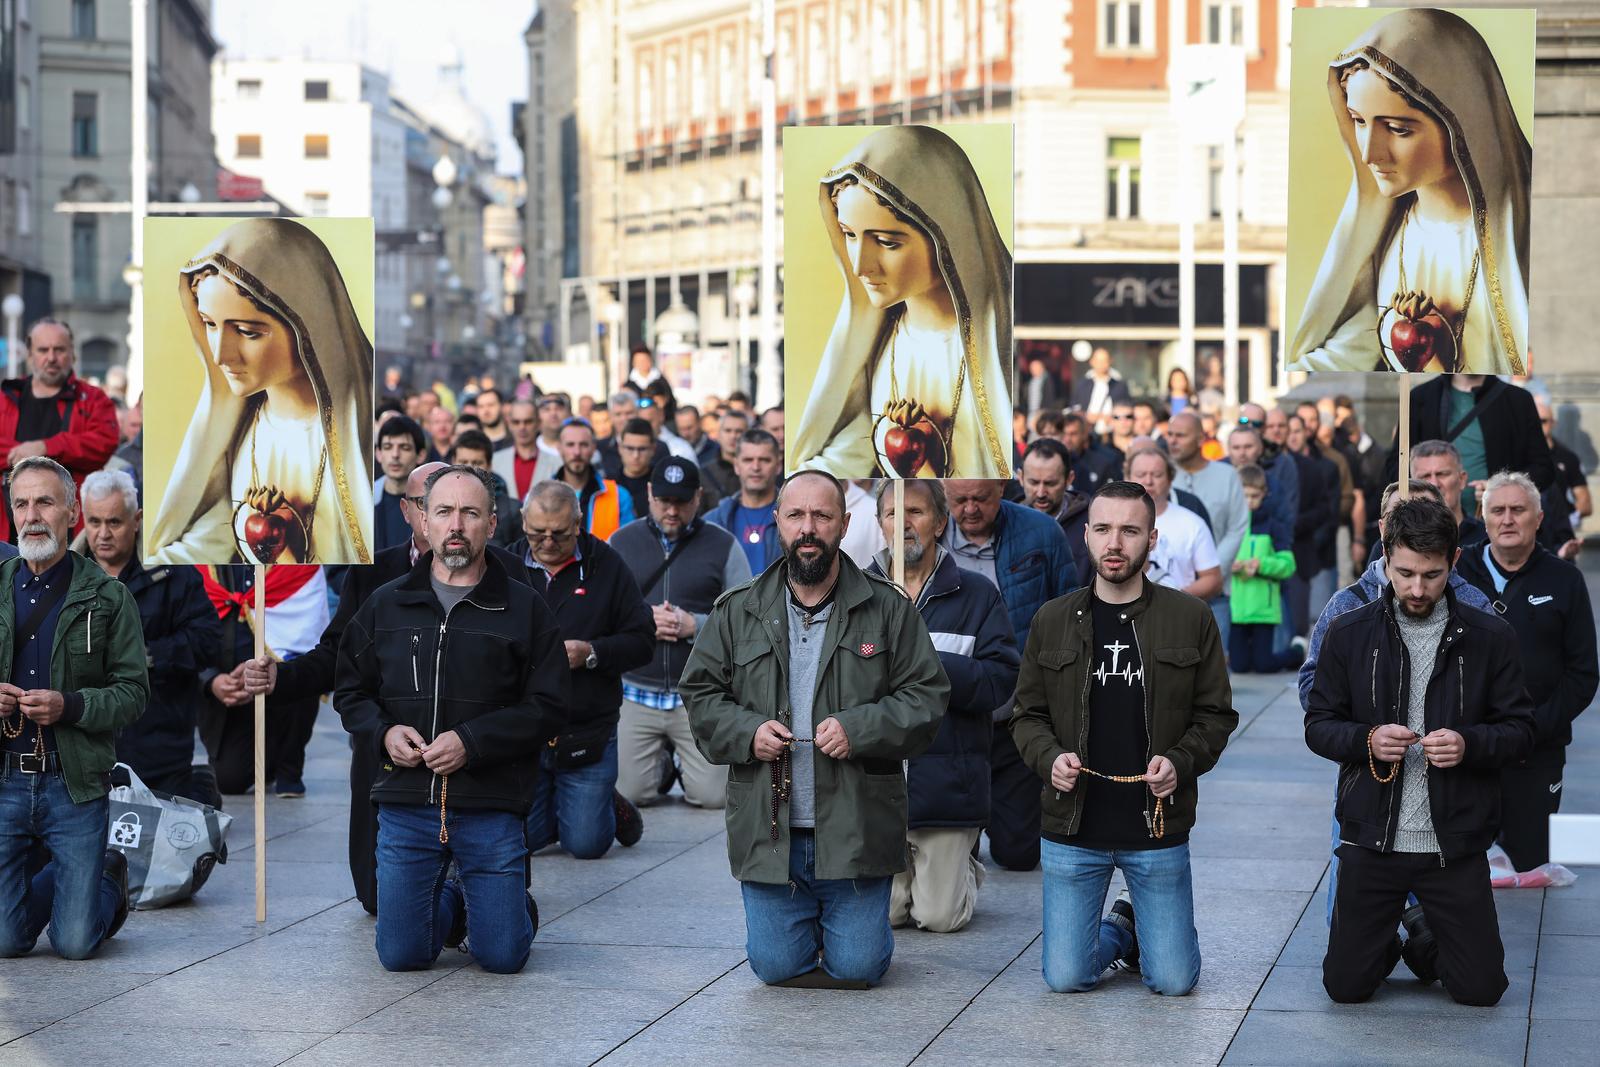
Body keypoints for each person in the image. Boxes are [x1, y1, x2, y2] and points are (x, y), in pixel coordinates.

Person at [680, 469, 948, 986]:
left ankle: (846, 928)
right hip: (769, 826)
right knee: (775, 968)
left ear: (845, 524)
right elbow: (700, 694)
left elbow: (927, 696)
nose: (808, 528)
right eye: (796, 515)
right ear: (777, 521)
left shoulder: (887, 607)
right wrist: (745, 731)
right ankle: (811, 925)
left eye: (822, 516)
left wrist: (861, 728)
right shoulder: (738, 611)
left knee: (859, 969)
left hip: (855, 826)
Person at [241, 462, 531, 913]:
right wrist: (284, 677)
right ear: (411, 511)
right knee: (378, 902)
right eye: (429, 505)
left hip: (482, 762)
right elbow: (340, 659)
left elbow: (537, 685)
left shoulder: (509, 572)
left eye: (463, 510)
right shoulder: (375, 573)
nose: (450, 521)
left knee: (494, 925)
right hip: (390, 757)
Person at [334, 465, 567, 973]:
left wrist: (473, 741)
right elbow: (351, 690)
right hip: (405, 805)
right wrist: (383, 734)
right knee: (401, 956)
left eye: (470, 512)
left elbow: (549, 705)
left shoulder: (525, 608)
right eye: (443, 511)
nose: (456, 524)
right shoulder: (386, 603)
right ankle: (458, 905)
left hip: (491, 804)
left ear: (491, 522)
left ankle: (504, 909)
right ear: (423, 520)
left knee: (502, 957)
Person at [1010, 480, 1237, 995]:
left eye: (1130, 531)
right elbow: (1025, 715)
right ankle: (1121, 930)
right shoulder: (1053, 619)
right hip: (1074, 825)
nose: (1116, 544)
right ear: (1086, 535)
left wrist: (1181, 761)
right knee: (1067, 978)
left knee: (1175, 981)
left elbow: (1216, 715)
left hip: (1155, 826)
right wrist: (1049, 761)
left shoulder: (1189, 617)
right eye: (1104, 529)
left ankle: (1145, 931)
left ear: (1152, 539)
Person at [1306, 497, 1534, 1006]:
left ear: (1454, 561)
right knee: (1345, 988)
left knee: (1481, 992)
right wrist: (1367, 740)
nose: (1416, 588)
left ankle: (1425, 939)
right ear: (1384, 558)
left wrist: (1469, 744)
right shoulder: (1348, 631)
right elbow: (1318, 725)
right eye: (1404, 572)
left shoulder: (1490, 636)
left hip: (1453, 844)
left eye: (1431, 575)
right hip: (1372, 840)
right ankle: (1386, 935)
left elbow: (1521, 729)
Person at [1289, 9, 1530, 375]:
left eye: (1399, 129)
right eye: (1358, 121)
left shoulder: (1527, 231)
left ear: (1463, 124)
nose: (1370, 153)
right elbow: (1358, 344)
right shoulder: (1388, 233)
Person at [792, 126, 1012, 479]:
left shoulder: (1000, 336)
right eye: (849, 235)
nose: (861, 266)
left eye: (886, 242)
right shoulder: (878, 341)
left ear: (948, 237)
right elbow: (856, 448)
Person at [151, 220, 373, 565]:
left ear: (308, 327)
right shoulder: (238, 429)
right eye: (209, 324)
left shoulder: (362, 427)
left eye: (247, 332)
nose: (221, 355)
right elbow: (214, 537)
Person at [0, 457, 149, 959]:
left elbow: (134, 693)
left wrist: (71, 705)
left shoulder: (109, 597)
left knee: (75, 943)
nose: (32, 514)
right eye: (21, 503)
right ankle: (60, 877)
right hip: (6, 781)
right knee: (5, 942)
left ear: (71, 515)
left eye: (44, 501)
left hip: (75, 781)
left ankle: (105, 876)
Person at [868, 480, 1018, 933]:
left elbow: (1000, 683)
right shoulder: (855, 592)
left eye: (915, 512)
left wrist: (928, 662)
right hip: (876, 790)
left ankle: (963, 866)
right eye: (894, 514)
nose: (904, 524)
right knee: (889, 916)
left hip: (948, 789)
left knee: (938, 917)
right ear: (880, 524)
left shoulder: (977, 594)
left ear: (940, 522)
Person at [1455, 472, 1598, 871]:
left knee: (1530, 866)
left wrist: (1534, 728)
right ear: (1483, 520)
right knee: (1462, 866)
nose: (1508, 519)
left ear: (1539, 518)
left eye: (1518, 510)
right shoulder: (1456, 572)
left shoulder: (1565, 579)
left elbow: (1584, 671)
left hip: (1539, 749)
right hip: (1469, 747)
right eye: (1497, 510)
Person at [941, 479, 1077, 872]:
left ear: (1001, 490)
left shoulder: (1041, 532)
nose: (969, 509)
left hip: (1017, 709)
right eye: (959, 500)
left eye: (981, 499)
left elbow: (1071, 610)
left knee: (1018, 853)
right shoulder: (926, 535)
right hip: (954, 713)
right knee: (953, 847)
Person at [518, 482, 655, 858]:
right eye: (536, 533)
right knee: (518, 841)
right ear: (522, 522)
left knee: (586, 845)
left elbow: (643, 639)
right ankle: (575, 802)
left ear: (579, 523)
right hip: (523, 734)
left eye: (559, 534)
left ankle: (606, 805)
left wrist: (591, 653)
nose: (546, 542)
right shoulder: (506, 565)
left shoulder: (607, 565)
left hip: (586, 728)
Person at [610, 458, 751, 809]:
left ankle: (682, 760)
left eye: (682, 502)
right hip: (637, 691)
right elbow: (602, 615)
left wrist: (697, 626)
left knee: (714, 796)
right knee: (630, 795)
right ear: (648, 494)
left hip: (698, 694)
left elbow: (747, 618)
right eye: (663, 501)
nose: (672, 510)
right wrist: (643, 620)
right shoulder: (620, 542)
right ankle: (661, 765)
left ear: (699, 497)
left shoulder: (723, 544)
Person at [82, 470, 221, 804]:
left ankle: (201, 790)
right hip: (85, 747)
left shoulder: (174, 572)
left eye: (114, 522)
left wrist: (146, 656)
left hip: (160, 743)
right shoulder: (64, 574)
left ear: (137, 519)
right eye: (94, 522)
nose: (103, 534)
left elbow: (207, 641)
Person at [197, 561, 329, 798]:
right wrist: (212, 680)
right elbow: (188, 631)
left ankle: (289, 766)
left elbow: (311, 641)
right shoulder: (201, 558)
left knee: (306, 667)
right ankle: (267, 760)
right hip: (230, 688)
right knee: (229, 780)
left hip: (281, 681)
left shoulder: (301, 559)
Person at [0, 319, 119, 544]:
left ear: (72, 354)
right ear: (30, 354)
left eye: (59, 349)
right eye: (43, 350)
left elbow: (103, 441)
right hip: (9, 533)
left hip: (72, 533)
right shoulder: (6, 398)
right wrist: (17, 452)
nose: (51, 358)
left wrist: (46, 448)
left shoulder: (93, 399)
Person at [1385, 375, 1553, 502]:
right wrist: (1424, 488)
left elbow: (1543, 469)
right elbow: (1395, 467)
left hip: (1493, 527)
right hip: (1431, 524)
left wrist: (1502, 488)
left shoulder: (1518, 400)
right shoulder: (1420, 398)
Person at [1167, 412, 1249, 642]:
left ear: (1201, 439)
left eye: (1180, 436)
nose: (1172, 441)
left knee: (1215, 668)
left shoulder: (1227, 475)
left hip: (1216, 592)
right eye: (1170, 435)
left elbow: (1237, 527)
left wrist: (1212, 571)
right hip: (1171, 590)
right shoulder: (1161, 476)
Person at [1228, 465, 1301, 673]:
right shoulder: (1229, 526)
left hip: (1263, 608)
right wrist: (1229, 565)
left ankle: (1296, 651)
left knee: (1264, 665)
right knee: (1239, 666)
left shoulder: (1273, 527)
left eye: (1254, 496)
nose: (1249, 502)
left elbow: (1288, 565)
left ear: (1264, 495)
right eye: (1244, 496)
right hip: (1237, 609)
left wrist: (1262, 565)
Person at [1126, 448, 1222, 601]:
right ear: (1127, 477)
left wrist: (1174, 599)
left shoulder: (1192, 523)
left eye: (1157, 475)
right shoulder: (1114, 522)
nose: (1148, 481)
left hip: (1178, 615)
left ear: (1170, 479)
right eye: (1140, 475)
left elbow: (1213, 578)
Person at [706, 428, 782, 574]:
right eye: (748, 460)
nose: (755, 467)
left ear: (778, 466)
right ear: (736, 465)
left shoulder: (796, 520)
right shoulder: (714, 521)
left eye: (765, 460)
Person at [1019, 438, 1092, 589]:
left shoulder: (1093, 523)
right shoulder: (1004, 522)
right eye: (1033, 482)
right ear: (1020, 478)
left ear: (1069, 479)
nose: (1040, 492)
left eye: (1050, 483)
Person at [550, 418, 634, 541]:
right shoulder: (540, 495)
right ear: (559, 448)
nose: (577, 452)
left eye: (584, 445)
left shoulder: (619, 495)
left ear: (594, 448)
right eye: (570, 444)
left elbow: (628, 545)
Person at [450, 430, 523, 549]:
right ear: (453, 463)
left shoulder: (513, 511)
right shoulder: (438, 505)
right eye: (463, 462)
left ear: (489, 465)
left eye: (477, 463)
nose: (469, 469)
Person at [1408, 440, 1487, 549]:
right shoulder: (1396, 541)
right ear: (1413, 486)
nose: (1434, 483)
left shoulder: (1488, 538)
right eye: (1425, 476)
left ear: (1462, 479)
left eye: (1442, 474)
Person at [1537, 395, 1590, 558]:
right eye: (1534, 420)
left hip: (1559, 534)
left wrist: (1570, 518)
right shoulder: (1517, 455)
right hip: (1529, 531)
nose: (1538, 425)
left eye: (1543, 421)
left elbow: (1585, 502)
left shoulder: (1567, 457)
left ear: (1553, 423)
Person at [492, 399, 561, 506]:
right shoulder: (495, 462)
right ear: (509, 424)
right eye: (516, 422)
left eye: (528, 422)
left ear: (538, 423)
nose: (522, 427)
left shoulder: (557, 464)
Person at [374, 416, 424, 553]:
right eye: (388, 447)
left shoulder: (434, 505)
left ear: (421, 455)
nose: (395, 455)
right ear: (378, 453)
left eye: (405, 447)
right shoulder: (359, 504)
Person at [1060, 412, 1122, 493]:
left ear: (1084, 435)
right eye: (1064, 434)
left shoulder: (1102, 464)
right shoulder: (1048, 462)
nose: (1067, 439)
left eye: (1073, 434)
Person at [1069, 348, 1131, 426]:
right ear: (1092, 362)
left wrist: (1112, 417)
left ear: (1110, 361)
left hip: (1111, 428)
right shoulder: (1082, 385)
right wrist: (1086, 416)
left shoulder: (1120, 386)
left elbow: (1126, 408)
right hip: (1086, 427)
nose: (1101, 364)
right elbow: (1074, 407)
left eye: (1104, 361)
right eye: (1098, 361)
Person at [700, 409, 749, 500]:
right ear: (719, 434)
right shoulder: (704, 472)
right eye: (728, 430)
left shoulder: (757, 470)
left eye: (739, 431)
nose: (733, 436)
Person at [612, 418, 659, 512]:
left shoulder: (661, 484)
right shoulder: (608, 485)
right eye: (630, 448)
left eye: (642, 449)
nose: (636, 456)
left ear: (653, 449)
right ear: (620, 448)